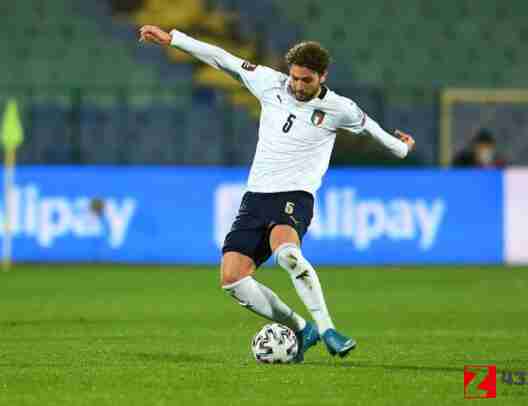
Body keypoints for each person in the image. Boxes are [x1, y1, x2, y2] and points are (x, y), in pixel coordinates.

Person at [139, 25, 415, 362]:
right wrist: (174, 40)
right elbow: (222, 59)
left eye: (306, 81)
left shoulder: (341, 108)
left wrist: (401, 149)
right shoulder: (270, 83)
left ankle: (328, 328)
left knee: (287, 254)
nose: (298, 86)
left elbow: (379, 134)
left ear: (323, 76)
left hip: (295, 195)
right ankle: (302, 328)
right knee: (232, 279)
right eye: (295, 78)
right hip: (255, 197)